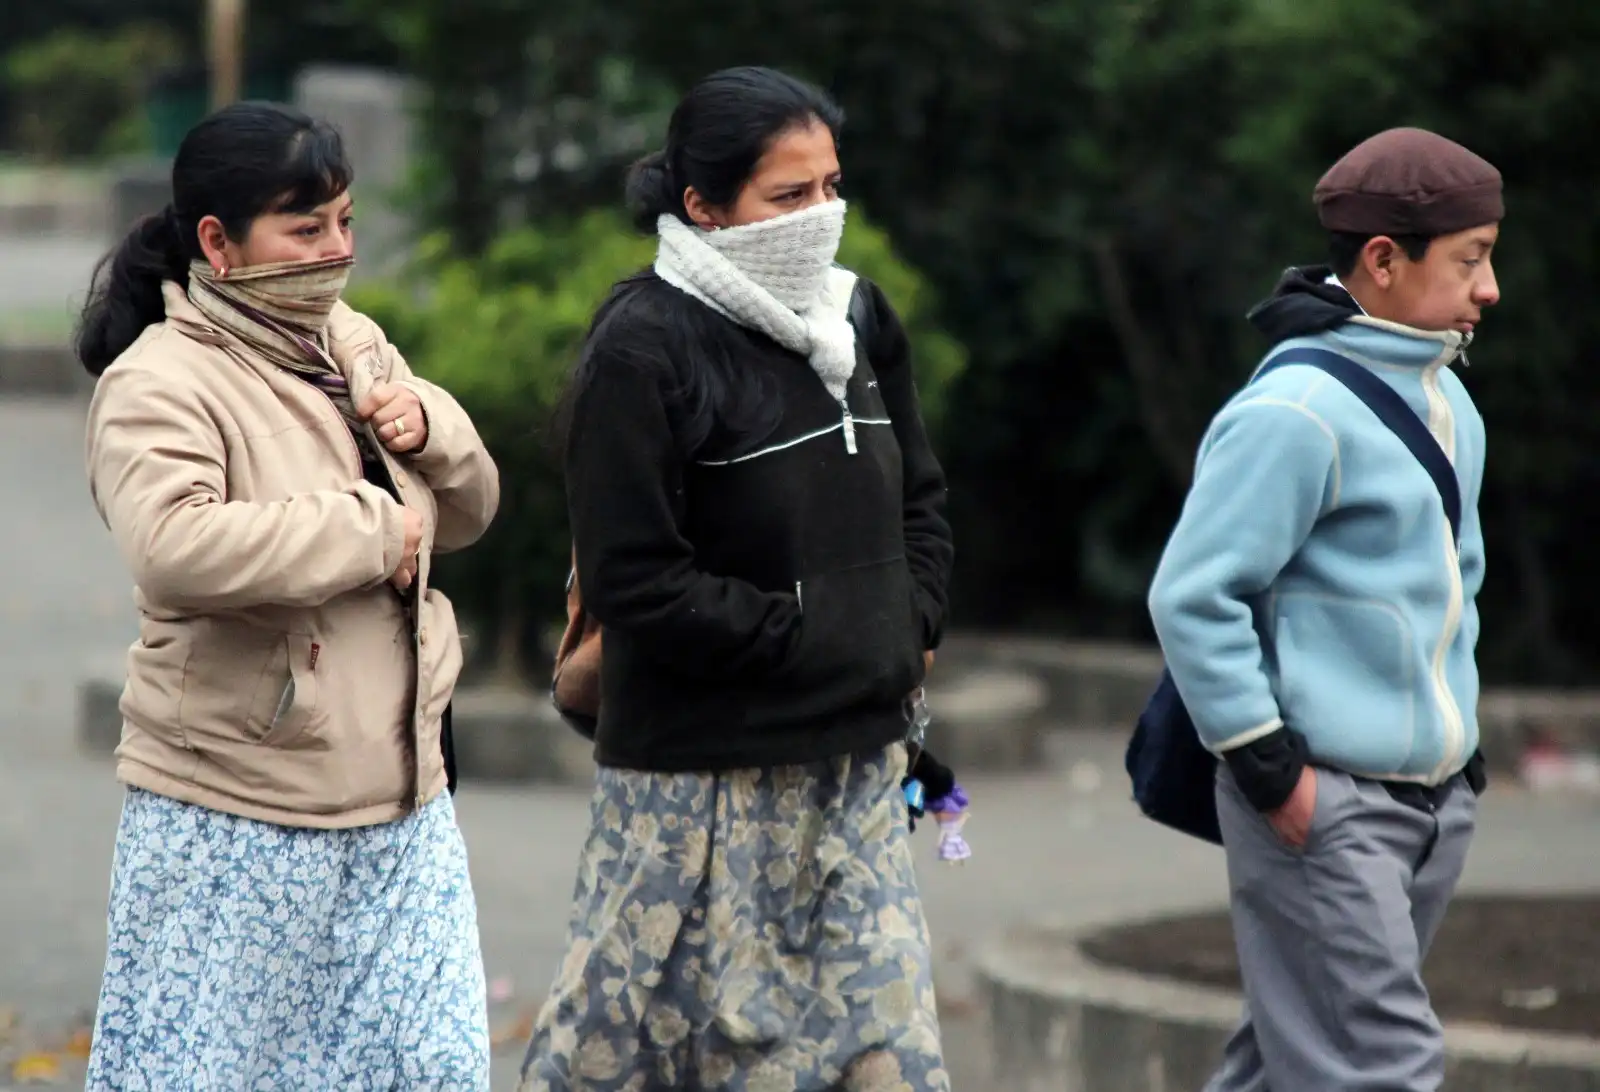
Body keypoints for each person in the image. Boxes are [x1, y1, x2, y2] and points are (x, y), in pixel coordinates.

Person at [519, 66, 955, 1091]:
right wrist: (813, 639)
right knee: (672, 1062)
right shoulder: (644, 347)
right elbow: (636, 581)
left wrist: (907, 624)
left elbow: (921, 501)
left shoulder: (858, 319)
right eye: (788, 195)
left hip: (853, 769)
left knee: (884, 1056)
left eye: (831, 188)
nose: (821, 217)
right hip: (697, 792)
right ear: (702, 207)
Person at [76, 101, 500, 1090]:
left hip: (405, 799)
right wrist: (371, 527)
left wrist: (430, 426)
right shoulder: (158, 383)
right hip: (239, 811)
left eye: (345, 222)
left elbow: (471, 510)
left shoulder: (351, 342)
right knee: (213, 1072)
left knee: (430, 1070)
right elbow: (174, 548)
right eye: (305, 229)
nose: (335, 250)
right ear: (217, 243)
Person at [1148, 127, 1502, 1091]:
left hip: (1429, 803)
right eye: (1470, 260)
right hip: (1324, 802)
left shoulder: (1447, 400)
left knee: (1289, 1062)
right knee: (1378, 1067)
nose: (1490, 289)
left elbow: (1452, 588)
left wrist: (1460, 759)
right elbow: (1192, 594)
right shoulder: (1296, 410)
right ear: (1384, 261)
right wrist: (1271, 772)